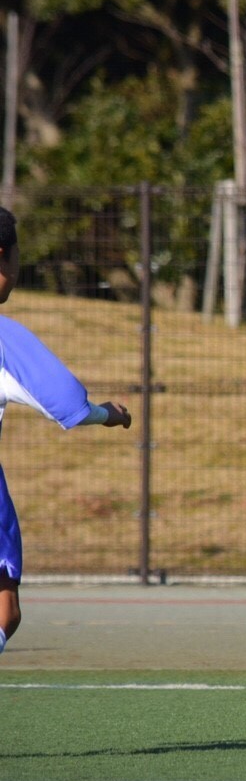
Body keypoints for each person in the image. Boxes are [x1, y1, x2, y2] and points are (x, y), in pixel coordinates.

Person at [0, 206, 133, 657]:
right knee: (5, 613)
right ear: (3, 257)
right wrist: (109, 414)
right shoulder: (4, 338)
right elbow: (67, 403)